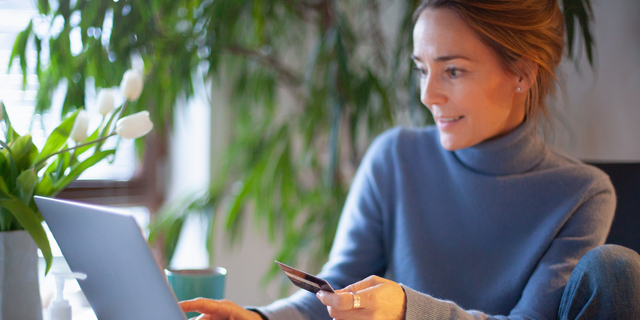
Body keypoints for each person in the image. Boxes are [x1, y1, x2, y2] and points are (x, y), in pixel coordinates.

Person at [180, 0, 640, 319]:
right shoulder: (394, 157)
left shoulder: (582, 194)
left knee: (618, 268)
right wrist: (258, 318)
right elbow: (335, 290)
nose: (428, 95)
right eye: (423, 69)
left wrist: (406, 310)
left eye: (453, 70)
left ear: (521, 73)